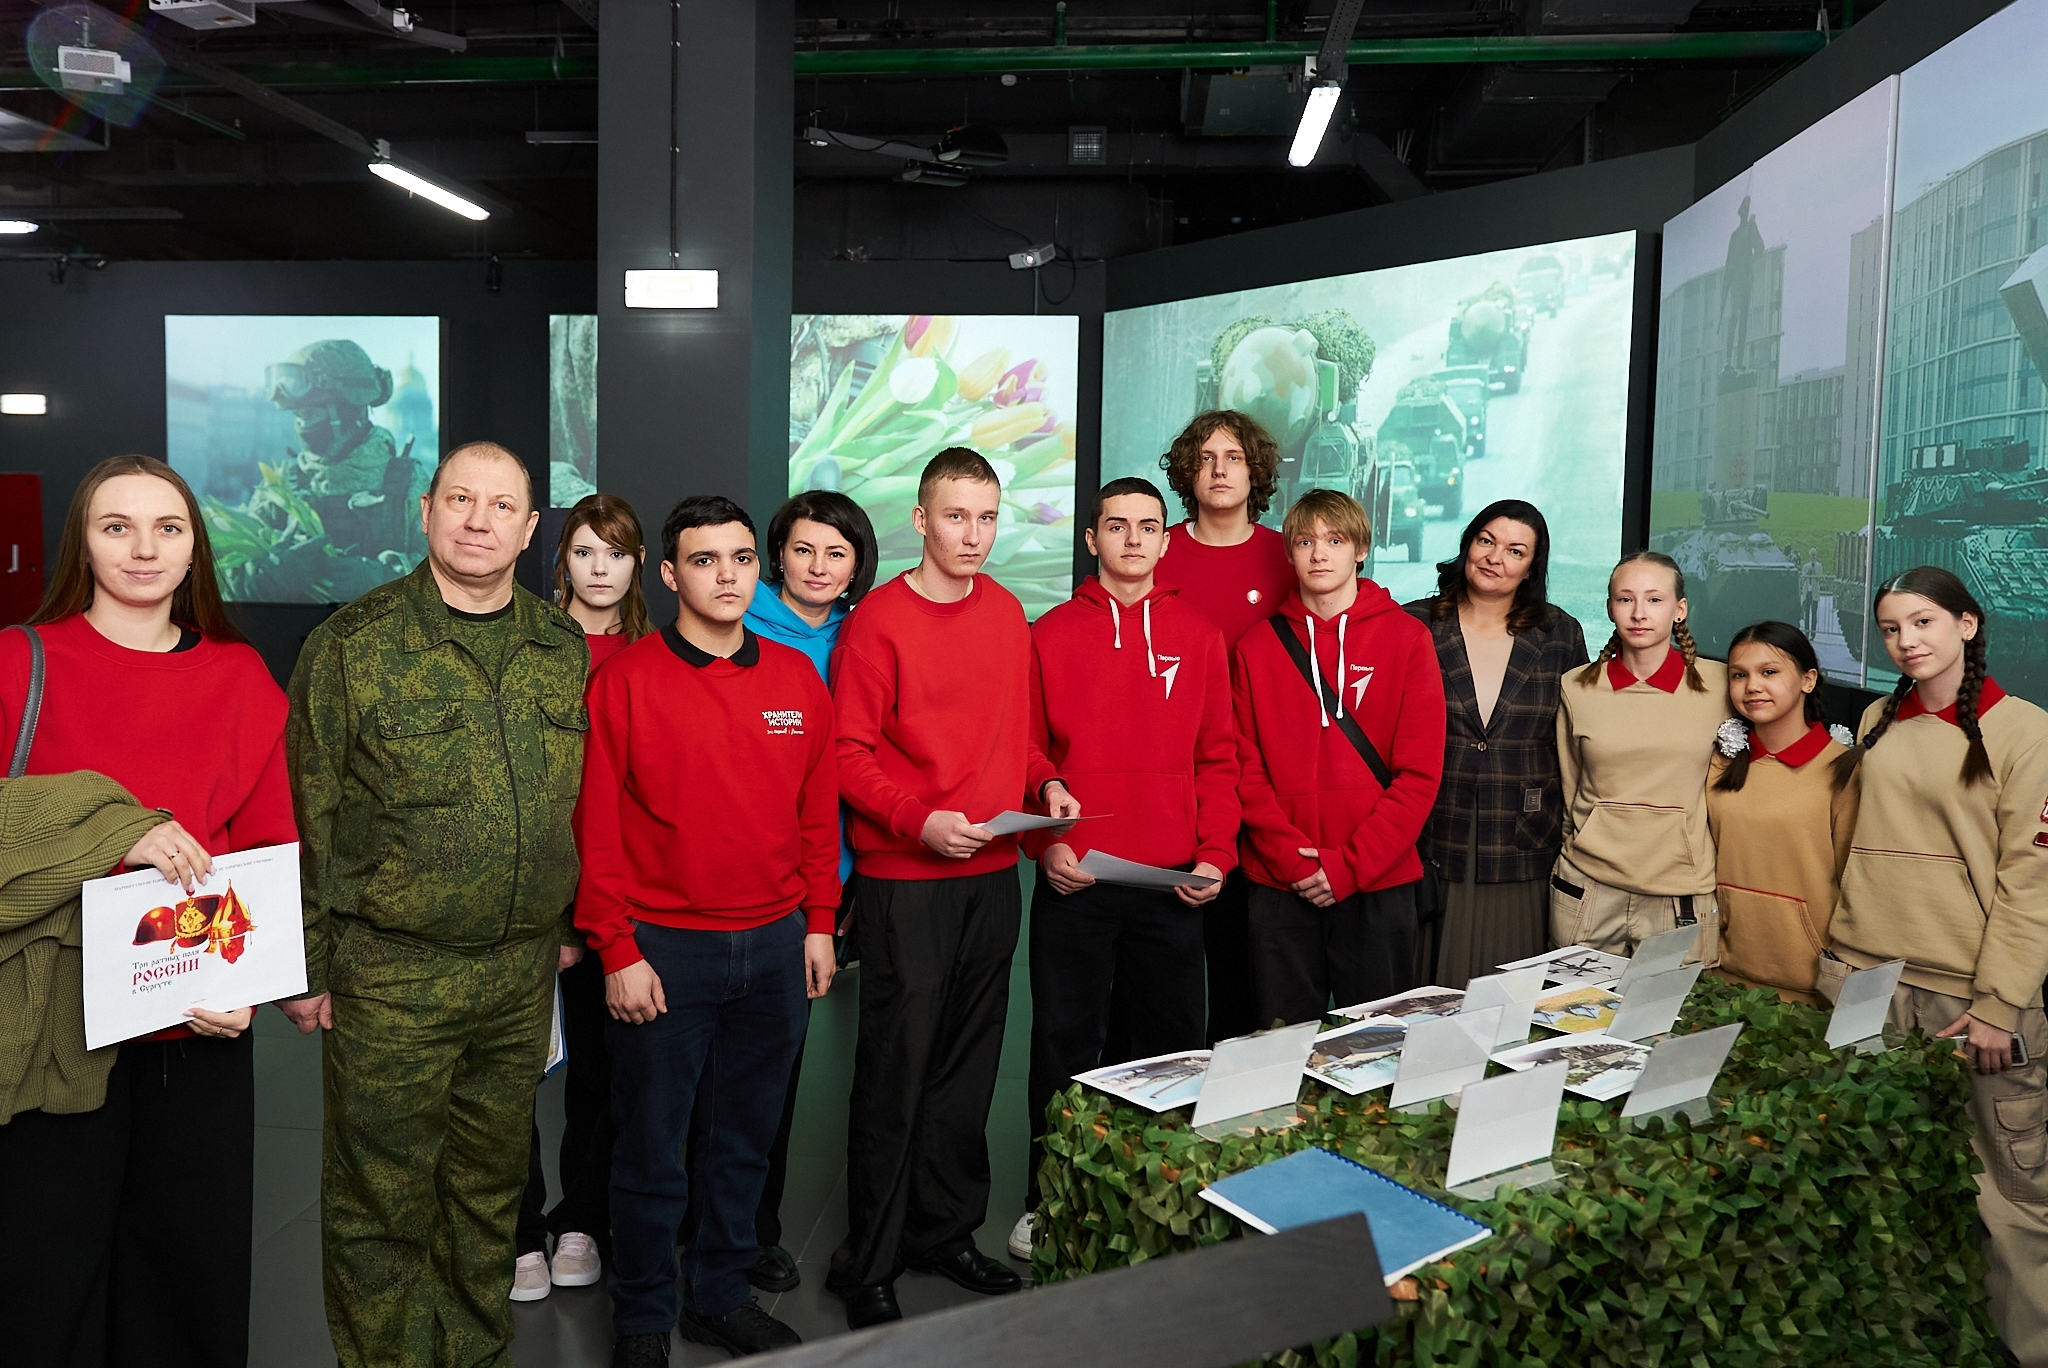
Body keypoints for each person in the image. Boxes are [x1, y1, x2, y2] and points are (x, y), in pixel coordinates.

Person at [285, 440, 587, 1368]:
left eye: (501, 507)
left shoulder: (560, 647)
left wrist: (564, 927)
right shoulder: (354, 645)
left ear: (530, 530)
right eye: (460, 499)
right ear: (425, 511)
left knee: (488, 1193)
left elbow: (569, 803)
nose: (478, 521)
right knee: (379, 1200)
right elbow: (305, 811)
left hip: (518, 977)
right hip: (392, 975)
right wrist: (305, 965)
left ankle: (475, 1353)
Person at [0, 454, 296, 1368]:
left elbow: (267, 845)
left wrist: (248, 985)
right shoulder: (18, 661)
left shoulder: (240, 675)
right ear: (82, 544)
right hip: (53, 1021)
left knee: (189, 1278)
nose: (143, 548)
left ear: (194, 548)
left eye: (168, 528)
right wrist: (112, 835)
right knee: (44, 1276)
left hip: (195, 1022)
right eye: (116, 526)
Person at [576, 495, 840, 1365]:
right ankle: (643, 1316)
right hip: (664, 950)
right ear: (669, 574)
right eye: (704, 560)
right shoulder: (625, 682)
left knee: (743, 1146)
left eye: (740, 559)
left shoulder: (796, 680)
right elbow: (596, 826)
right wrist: (616, 948)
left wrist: (818, 924)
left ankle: (720, 1297)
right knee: (651, 1151)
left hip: (775, 947)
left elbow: (816, 813)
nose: (727, 576)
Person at [825, 448, 1078, 1330]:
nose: (973, 535)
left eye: (987, 518)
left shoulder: (1006, 611)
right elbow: (846, 754)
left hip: (993, 875)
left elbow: (1022, 734)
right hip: (908, 879)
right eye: (956, 516)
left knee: (969, 1070)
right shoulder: (879, 622)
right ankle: (869, 1261)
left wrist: (1046, 782)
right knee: (896, 1070)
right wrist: (917, 820)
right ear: (921, 521)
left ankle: (945, 1232)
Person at [1011, 476, 1238, 1260]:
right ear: (1092, 539)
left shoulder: (1200, 635)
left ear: (1166, 540)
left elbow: (1218, 757)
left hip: (1170, 881)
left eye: (1147, 526)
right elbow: (1027, 749)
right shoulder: (1048, 634)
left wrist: (1215, 853)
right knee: (1063, 1045)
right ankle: (1048, 1203)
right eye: (1117, 525)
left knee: (1168, 1049)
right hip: (1076, 877)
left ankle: (1161, 1204)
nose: (1133, 539)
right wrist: (1046, 844)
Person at [1826, 567, 2048, 1360]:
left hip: (1969, 1001)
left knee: (2009, 1200)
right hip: (1868, 985)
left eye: (1922, 622)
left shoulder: (2025, 731)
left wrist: (2000, 1004)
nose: (1906, 641)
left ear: (1967, 624)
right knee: (1878, 1182)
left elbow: (2032, 882)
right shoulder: (1879, 717)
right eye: (1891, 628)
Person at [718, 488, 878, 1296]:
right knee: (702, 1074)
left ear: (856, 566)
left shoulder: (863, 636)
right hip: (729, 879)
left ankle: (754, 1231)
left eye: (836, 553)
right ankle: (694, 1225)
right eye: (803, 549)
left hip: (822, 882)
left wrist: (842, 888)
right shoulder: (735, 625)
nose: (818, 567)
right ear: (776, 555)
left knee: (773, 1071)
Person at [1231, 488, 1445, 1027]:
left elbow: (1419, 775)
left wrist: (1348, 867)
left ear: (1361, 550)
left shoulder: (1408, 639)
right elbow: (1244, 770)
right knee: (1279, 1048)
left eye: (1335, 540)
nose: (1319, 554)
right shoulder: (1256, 647)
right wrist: (1294, 862)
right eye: (1305, 542)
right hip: (1281, 883)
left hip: (1378, 880)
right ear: (1290, 553)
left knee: (1376, 1050)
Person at [512, 492, 653, 1301]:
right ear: (561, 559)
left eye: (617, 553)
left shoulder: (654, 654)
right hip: (528, 894)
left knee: (603, 1073)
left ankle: (582, 1220)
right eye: (585, 552)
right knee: (513, 1072)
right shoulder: (527, 644)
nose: (601, 569)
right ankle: (519, 1231)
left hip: (615, 895)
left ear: (641, 564)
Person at [1151, 409, 1296, 1045]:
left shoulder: (1287, 556)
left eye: (1233, 457)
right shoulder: (1155, 550)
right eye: (1206, 457)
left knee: (1249, 973)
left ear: (1255, 470)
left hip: (1263, 790)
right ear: (1188, 470)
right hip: (1175, 789)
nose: (1219, 470)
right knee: (1167, 979)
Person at [1403, 500, 1587, 989]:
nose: (1494, 557)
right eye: (1486, 540)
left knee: (1509, 991)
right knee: (1420, 990)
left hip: (1521, 836)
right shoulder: (1414, 624)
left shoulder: (1560, 633)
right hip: (1431, 831)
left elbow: (1577, 740)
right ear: (1467, 544)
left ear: (1531, 567)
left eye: (1515, 550)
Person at [1552, 551, 1730, 957]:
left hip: (1681, 890)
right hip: (1588, 884)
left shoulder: (1719, 685)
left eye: (1654, 599)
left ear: (1679, 609)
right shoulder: (1576, 687)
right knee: (1572, 1001)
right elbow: (1569, 785)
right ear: (1610, 607)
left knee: (1680, 1003)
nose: (1638, 613)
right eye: (1625, 599)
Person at [1704, 621, 1857, 1005]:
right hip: (1721, 977)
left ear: (1808, 680)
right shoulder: (1720, 763)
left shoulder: (1843, 769)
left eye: (1769, 672)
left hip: (1810, 988)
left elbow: (1857, 887)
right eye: (1739, 675)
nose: (1752, 686)